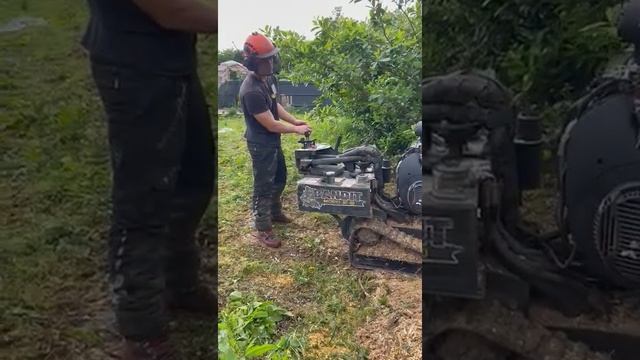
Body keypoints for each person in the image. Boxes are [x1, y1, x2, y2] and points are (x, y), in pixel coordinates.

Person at [81, 0, 217, 358]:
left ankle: (178, 283)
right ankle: (140, 329)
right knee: (145, 196)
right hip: (136, 66)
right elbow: (174, 10)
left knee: (192, 180)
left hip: (169, 58)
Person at [239, 33, 311, 248]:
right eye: (265, 59)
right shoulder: (250, 90)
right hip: (260, 144)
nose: (270, 62)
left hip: (272, 141)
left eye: (271, 58)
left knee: (280, 177)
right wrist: (297, 130)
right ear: (254, 62)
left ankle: (275, 212)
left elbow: (274, 105)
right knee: (264, 185)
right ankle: (263, 228)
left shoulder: (269, 79)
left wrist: (294, 120)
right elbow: (270, 124)